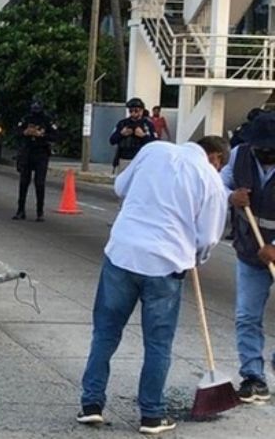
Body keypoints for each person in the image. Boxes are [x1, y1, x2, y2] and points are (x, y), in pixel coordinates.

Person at [77, 136, 229, 435]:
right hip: (166, 264)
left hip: (122, 253)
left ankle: (91, 405)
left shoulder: (153, 149)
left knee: (105, 334)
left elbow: (120, 187)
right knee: (157, 344)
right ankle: (151, 415)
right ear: (216, 158)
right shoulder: (210, 178)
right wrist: (196, 257)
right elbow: (209, 236)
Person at [222, 111, 275, 403]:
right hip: (249, 249)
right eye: (262, 148)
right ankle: (253, 377)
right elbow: (218, 183)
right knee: (247, 316)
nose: (266, 154)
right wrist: (231, 196)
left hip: (272, 248)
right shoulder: (239, 155)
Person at [13, 100, 58, 222]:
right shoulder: (26, 119)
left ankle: (40, 212)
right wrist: (25, 132)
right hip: (27, 152)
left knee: (40, 183)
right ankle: (20, 210)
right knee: (23, 182)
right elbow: (16, 132)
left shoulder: (47, 120)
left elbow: (55, 136)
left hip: (41, 153)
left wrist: (42, 135)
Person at [109, 98, 157, 174]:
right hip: (124, 159)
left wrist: (143, 136)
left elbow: (155, 143)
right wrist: (121, 134)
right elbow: (112, 140)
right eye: (131, 111)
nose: (133, 113)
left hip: (141, 160)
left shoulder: (147, 125)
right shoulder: (122, 123)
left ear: (141, 111)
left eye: (136, 111)